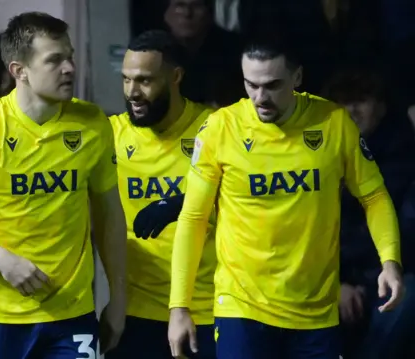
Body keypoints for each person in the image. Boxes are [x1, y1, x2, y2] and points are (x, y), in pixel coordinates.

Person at [167, 33, 404, 359]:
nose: (260, 97)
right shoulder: (220, 129)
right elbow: (193, 219)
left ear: (297, 77)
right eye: (251, 84)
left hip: (315, 310)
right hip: (242, 307)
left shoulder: (333, 123)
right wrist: (179, 306)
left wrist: (389, 261)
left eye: (272, 85)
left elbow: (374, 196)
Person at [0, 12, 127, 358]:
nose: (70, 68)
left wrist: (118, 299)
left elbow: (110, 217)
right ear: (20, 71)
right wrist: (1, 259)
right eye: (55, 60)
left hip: (72, 314)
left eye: (70, 56)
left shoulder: (92, 124)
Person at [105, 30, 216, 359]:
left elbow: (246, 198)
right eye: (126, 80)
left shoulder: (214, 128)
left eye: (144, 81)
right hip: (136, 311)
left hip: (206, 309)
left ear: (176, 76)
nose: (132, 92)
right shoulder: (110, 134)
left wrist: (181, 203)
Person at [322, 69, 415, 359]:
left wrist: (370, 280)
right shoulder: (315, 155)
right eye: (343, 102)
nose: (351, 110)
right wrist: (336, 283)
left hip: (386, 275)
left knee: (409, 294)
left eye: (360, 100)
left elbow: (406, 232)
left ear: (381, 106)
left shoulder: (404, 156)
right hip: (326, 276)